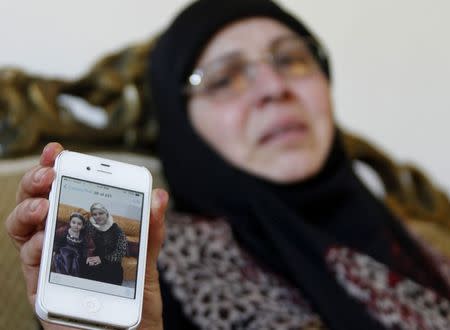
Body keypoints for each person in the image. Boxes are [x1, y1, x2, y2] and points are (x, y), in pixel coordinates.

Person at [5, 0, 450, 329]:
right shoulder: (155, 268)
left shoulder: (423, 245)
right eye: (223, 78)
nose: (274, 88)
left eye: (292, 59)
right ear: (181, 127)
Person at [83, 202, 128, 285]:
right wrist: (87, 256)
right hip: (92, 261)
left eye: (101, 213)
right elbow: (82, 241)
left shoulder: (117, 230)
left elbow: (122, 251)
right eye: (94, 214)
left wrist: (102, 259)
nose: (98, 216)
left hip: (110, 263)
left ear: (106, 214)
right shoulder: (89, 225)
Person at [52, 212, 94, 277]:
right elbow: (56, 239)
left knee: (75, 264)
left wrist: (88, 255)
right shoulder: (64, 230)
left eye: (79, 224)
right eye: (73, 222)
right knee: (64, 258)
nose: (76, 225)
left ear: (83, 226)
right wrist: (55, 249)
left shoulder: (83, 236)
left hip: (75, 255)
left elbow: (90, 246)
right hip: (63, 252)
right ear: (70, 222)